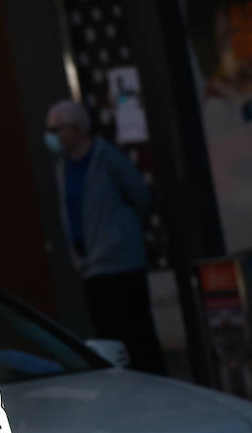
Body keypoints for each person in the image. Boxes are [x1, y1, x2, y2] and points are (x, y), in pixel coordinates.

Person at [44, 98, 167, 375]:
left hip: (121, 262)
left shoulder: (106, 158)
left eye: (57, 129)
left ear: (75, 128)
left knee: (137, 334)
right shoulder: (62, 167)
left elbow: (139, 195)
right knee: (108, 339)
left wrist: (120, 234)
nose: (52, 136)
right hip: (91, 268)